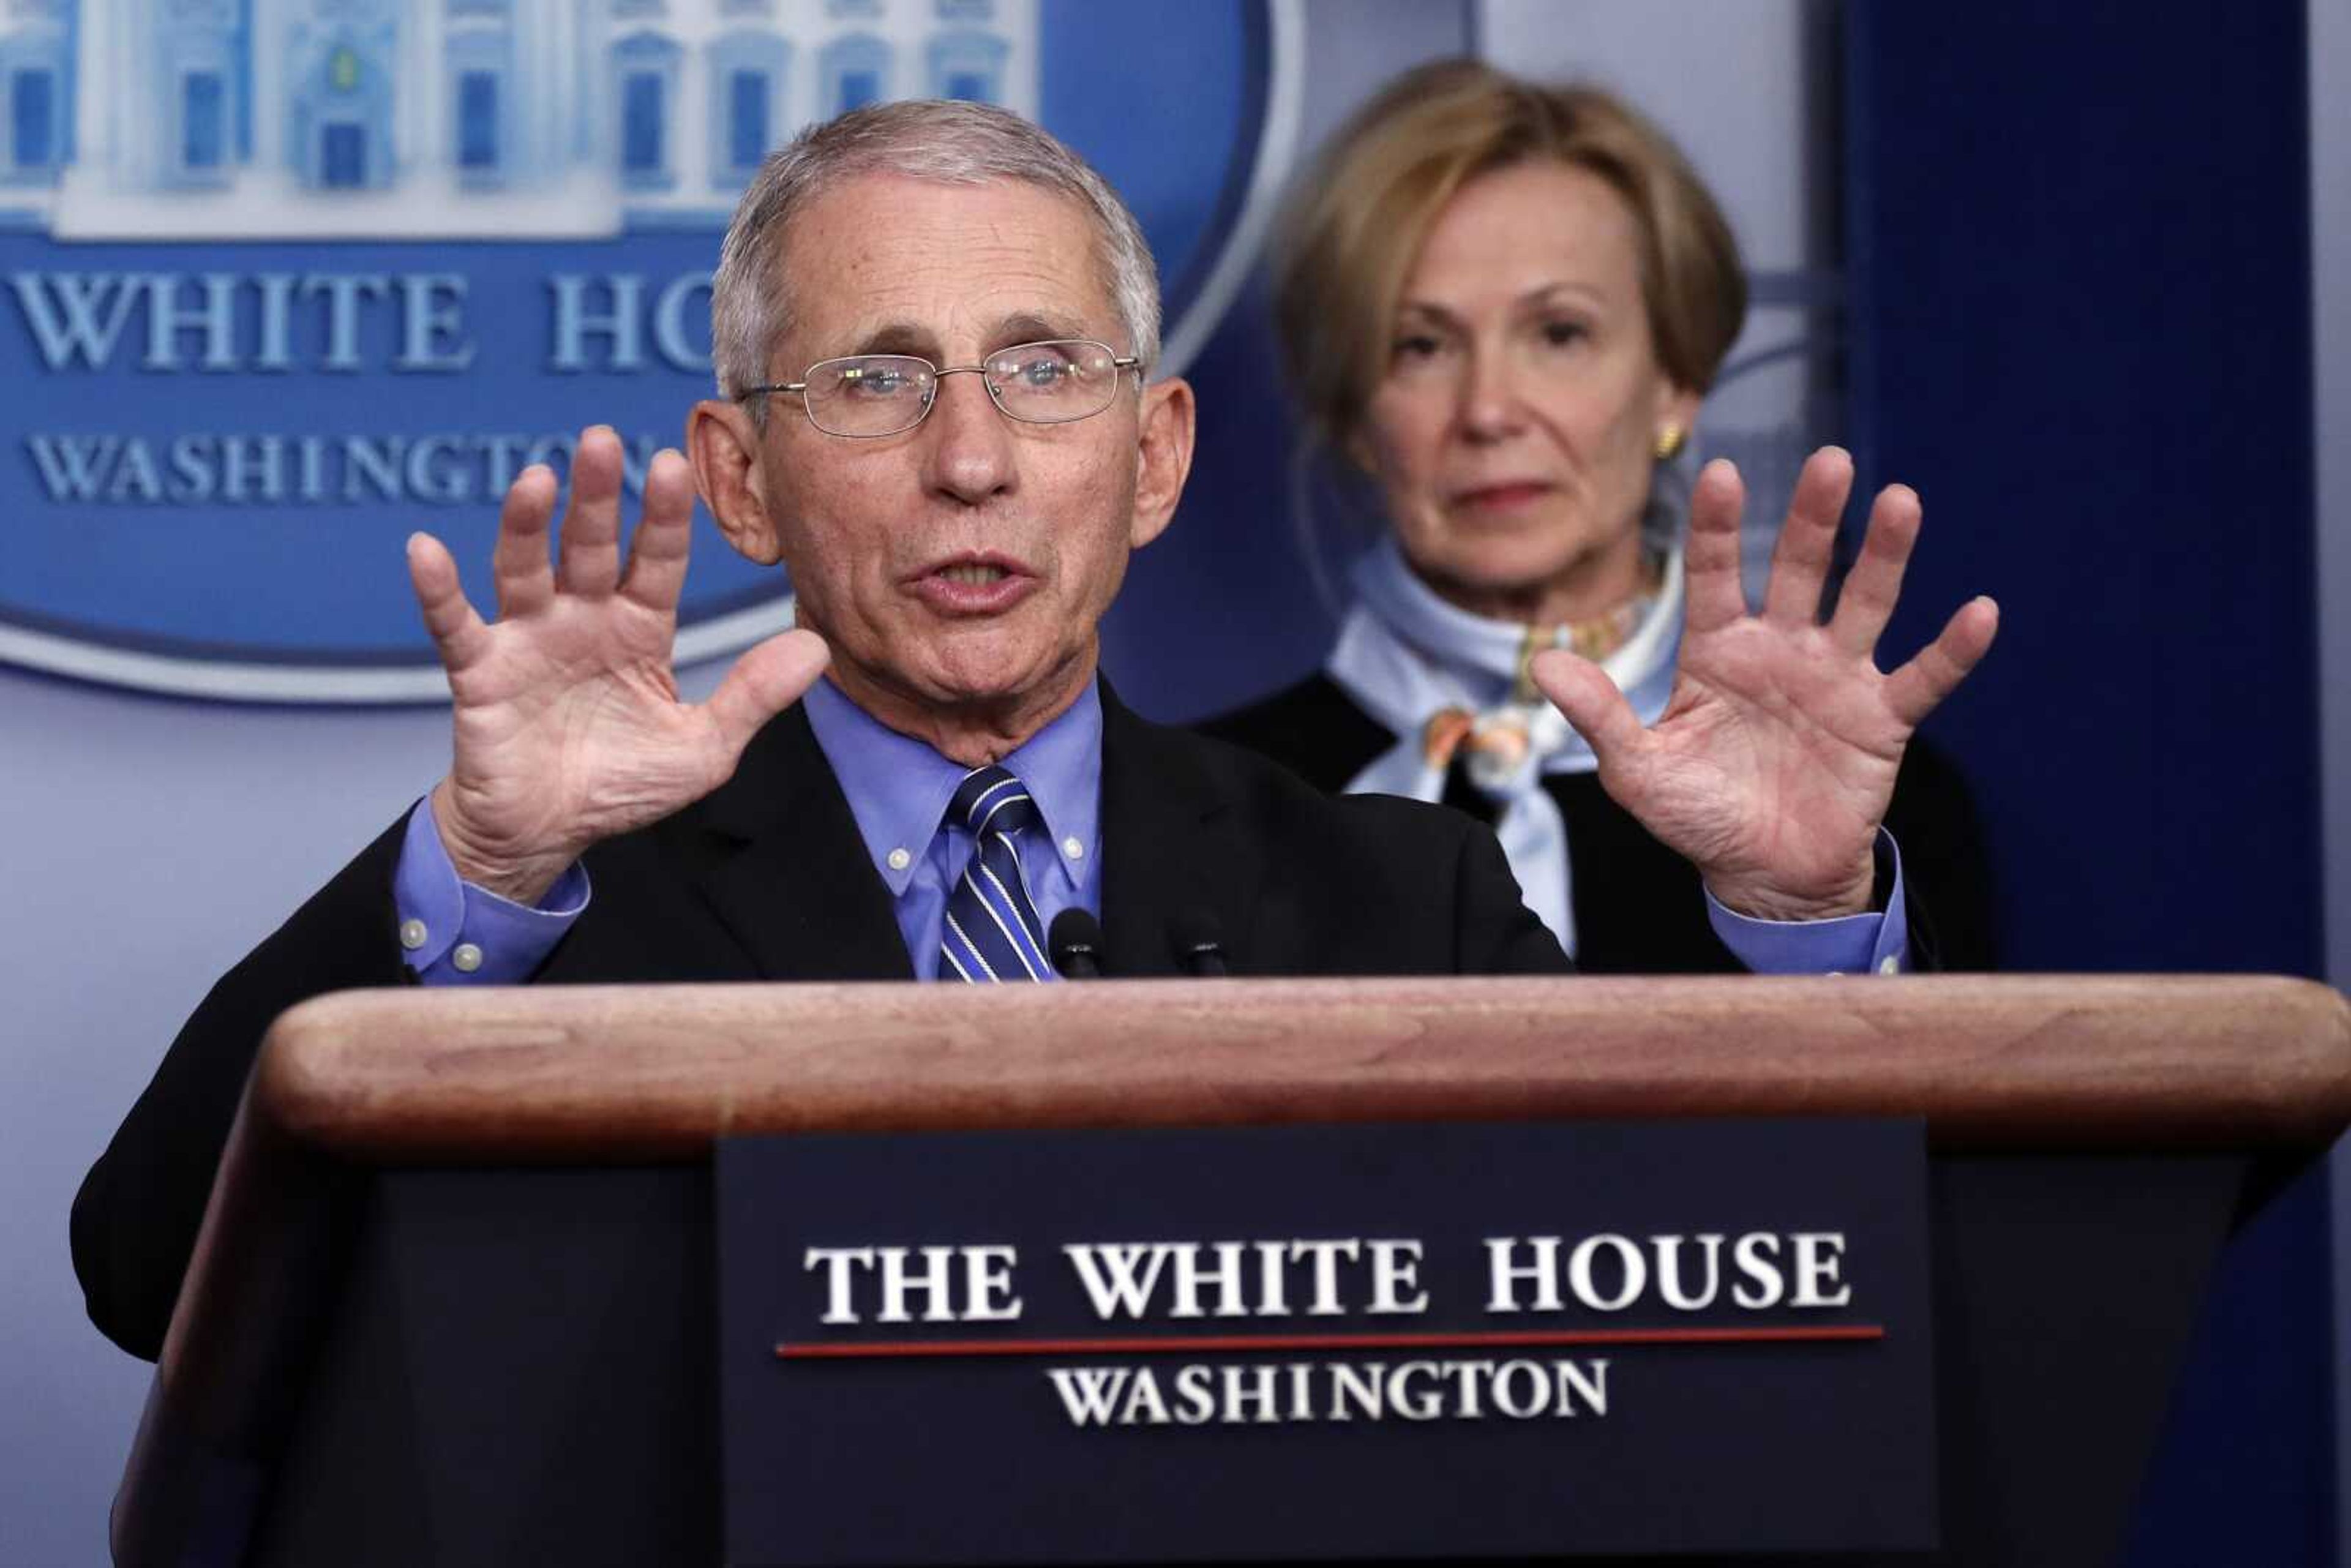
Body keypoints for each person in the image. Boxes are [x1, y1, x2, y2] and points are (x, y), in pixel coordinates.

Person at [72, 98, 1994, 1361]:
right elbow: (149, 1278)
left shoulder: (1404, 887)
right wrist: (486, 870)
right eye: (879, 380)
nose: (973, 462)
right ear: (742, 482)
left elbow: (1742, 1334)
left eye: (1044, 374)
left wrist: (1805, 931)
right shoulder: (570, 904)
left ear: (1152, 458)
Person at [1204, 61, 1997, 972]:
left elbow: (1929, 1117)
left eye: (1559, 334)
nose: (1490, 410)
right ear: (1352, 415)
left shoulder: (1866, 811)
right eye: (1420, 345)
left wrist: (1812, 917)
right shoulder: (1205, 806)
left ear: (1677, 380)